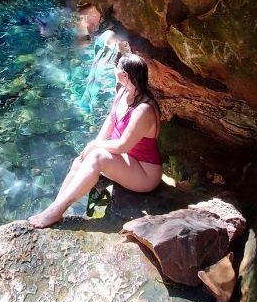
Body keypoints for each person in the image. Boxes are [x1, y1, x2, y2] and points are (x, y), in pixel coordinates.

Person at [29, 53, 162, 229]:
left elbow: (122, 146)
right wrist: (92, 146)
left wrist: (94, 145)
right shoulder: (124, 92)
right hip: (130, 162)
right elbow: (111, 120)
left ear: (125, 75)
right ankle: (56, 208)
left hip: (145, 174)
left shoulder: (143, 110)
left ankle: (55, 211)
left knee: (97, 156)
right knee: (80, 160)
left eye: (117, 68)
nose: (114, 70)